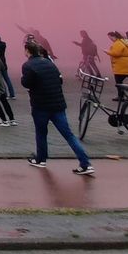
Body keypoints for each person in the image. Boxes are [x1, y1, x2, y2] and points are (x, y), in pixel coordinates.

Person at [21, 37, 93, 175]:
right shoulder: (50, 63)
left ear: (28, 51)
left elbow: (26, 83)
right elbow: (59, 81)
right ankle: (85, 163)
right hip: (58, 104)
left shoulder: (28, 65)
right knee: (69, 135)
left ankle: (41, 159)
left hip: (40, 105)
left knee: (41, 133)